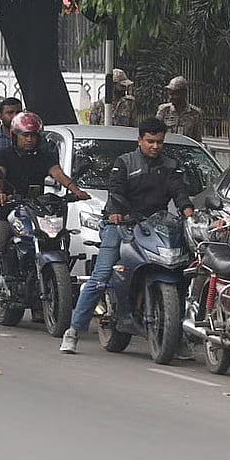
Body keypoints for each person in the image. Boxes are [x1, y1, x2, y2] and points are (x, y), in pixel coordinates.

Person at [60, 118, 196, 353]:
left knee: (182, 270)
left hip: (156, 226)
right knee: (101, 276)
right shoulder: (124, 162)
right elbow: (116, 191)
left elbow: (180, 194)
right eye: (150, 141)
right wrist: (116, 213)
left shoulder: (171, 166)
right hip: (122, 223)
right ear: (140, 140)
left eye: (159, 142)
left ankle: (178, 335)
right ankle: (73, 331)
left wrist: (190, 216)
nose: (155, 146)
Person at [0, 112, 89, 327]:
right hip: (7, 210)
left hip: (36, 209)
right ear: (15, 135)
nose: (30, 139)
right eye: (25, 135)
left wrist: (76, 190)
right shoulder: (4, 154)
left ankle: (43, 304)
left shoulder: (45, 155)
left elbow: (58, 173)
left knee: (56, 242)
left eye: (33, 135)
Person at [155, 76, 204, 141]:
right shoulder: (163, 110)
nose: (171, 97)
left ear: (183, 93)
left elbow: (197, 139)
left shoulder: (195, 113)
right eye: (170, 94)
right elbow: (155, 133)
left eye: (174, 94)